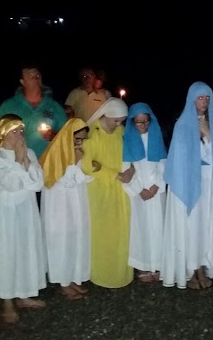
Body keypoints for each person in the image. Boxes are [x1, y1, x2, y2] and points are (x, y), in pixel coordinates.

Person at [161, 82, 213, 289]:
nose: (204, 102)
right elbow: (178, 158)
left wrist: (207, 133)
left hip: (211, 183)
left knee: (206, 225)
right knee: (192, 226)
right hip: (189, 184)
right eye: (200, 98)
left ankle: (204, 265)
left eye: (207, 98)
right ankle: (192, 269)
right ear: (191, 99)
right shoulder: (183, 125)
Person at [0, 114, 47, 324]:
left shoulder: (28, 152)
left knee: (26, 248)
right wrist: (20, 161)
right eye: (14, 131)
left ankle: (24, 293)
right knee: (8, 251)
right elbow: (11, 184)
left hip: (27, 208)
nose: (20, 135)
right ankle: (7, 302)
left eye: (21, 130)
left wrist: (25, 159)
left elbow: (37, 183)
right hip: (8, 210)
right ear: (3, 133)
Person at [81, 98, 133, 288]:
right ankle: (101, 274)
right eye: (115, 120)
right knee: (103, 233)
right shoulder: (93, 134)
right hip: (101, 191)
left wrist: (131, 170)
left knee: (122, 232)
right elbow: (89, 165)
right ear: (106, 115)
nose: (118, 124)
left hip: (121, 190)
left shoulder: (120, 131)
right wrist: (114, 174)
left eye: (121, 120)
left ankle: (121, 274)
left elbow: (129, 153)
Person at [39, 118, 92, 300]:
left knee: (76, 237)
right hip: (60, 205)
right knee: (62, 240)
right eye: (77, 139)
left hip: (74, 202)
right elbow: (58, 180)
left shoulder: (75, 152)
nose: (80, 143)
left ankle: (74, 276)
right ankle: (63, 282)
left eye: (83, 140)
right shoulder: (56, 152)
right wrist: (74, 162)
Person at [122, 103, 167, 282]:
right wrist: (139, 190)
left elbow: (163, 163)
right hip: (139, 192)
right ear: (132, 122)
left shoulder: (156, 137)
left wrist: (156, 186)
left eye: (145, 121)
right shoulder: (128, 140)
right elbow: (126, 168)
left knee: (158, 226)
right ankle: (143, 265)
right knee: (140, 228)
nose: (142, 125)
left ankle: (158, 264)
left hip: (156, 191)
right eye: (138, 122)